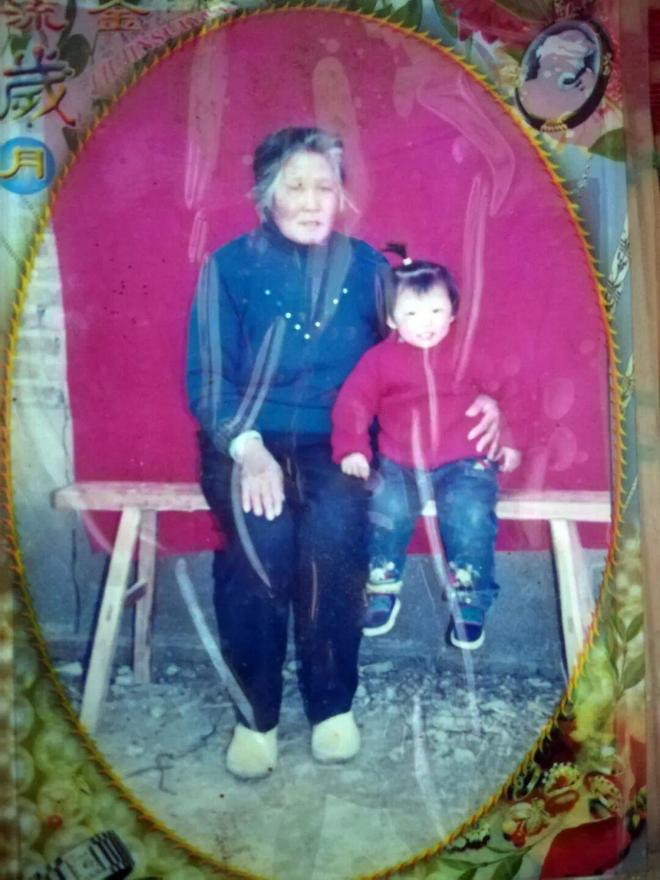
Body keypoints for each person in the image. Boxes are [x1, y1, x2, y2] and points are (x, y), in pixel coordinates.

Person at [186, 128, 502, 780]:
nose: (311, 201)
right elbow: (209, 377)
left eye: (325, 187)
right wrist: (248, 451)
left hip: (337, 443)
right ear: (265, 194)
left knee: (333, 536)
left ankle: (331, 706)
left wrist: (487, 399)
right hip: (246, 443)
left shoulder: (366, 269)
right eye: (295, 186)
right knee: (262, 543)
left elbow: (429, 343)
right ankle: (256, 717)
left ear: (341, 197)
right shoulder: (228, 267)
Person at [331, 250, 522, 649]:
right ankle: (382, 586)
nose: (427, 323)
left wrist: (508, 437)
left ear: (452, 312)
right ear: (391, 319)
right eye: (412, 313)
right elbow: (353, 403)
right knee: (386, 505)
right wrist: (353, 449)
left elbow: (509, 392)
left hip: (466, 460)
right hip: (401, 461)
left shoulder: (468, 351)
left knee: (468, 513)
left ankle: (470, 599)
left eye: (436, 311)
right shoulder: (379, 361)